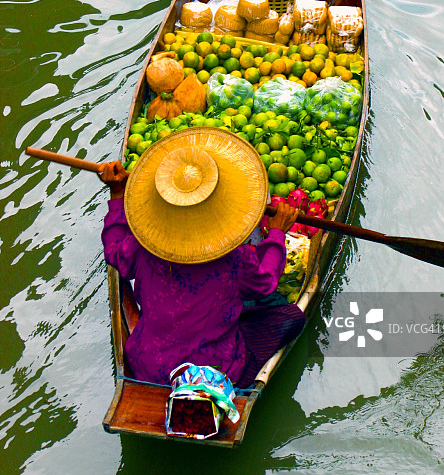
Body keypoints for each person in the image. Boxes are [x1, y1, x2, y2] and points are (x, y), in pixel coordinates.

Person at [100, 139, 306, 389]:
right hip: (213, 372)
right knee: (290, 315)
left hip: (149, 367)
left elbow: (113, 251)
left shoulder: (142, 245)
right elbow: (266, 282)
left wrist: (117, 193)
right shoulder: (234, 259)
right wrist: (275, 234)